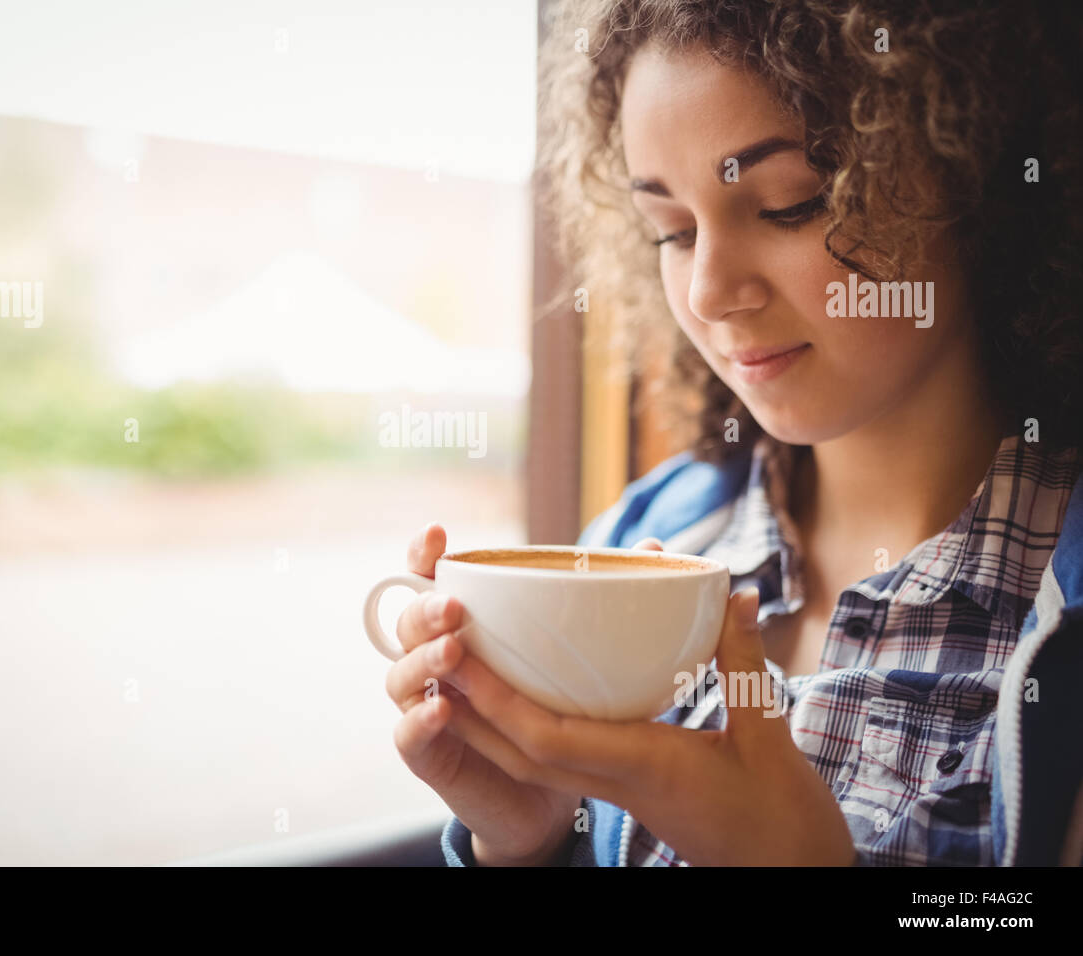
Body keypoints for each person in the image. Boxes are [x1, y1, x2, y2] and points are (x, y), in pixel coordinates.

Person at [384, 0, 1083, 865]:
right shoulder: (640, 541)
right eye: (671, 231)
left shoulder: (1064, 628)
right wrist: (531, 838)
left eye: (791, 204)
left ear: (967, 162)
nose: (709, 293)